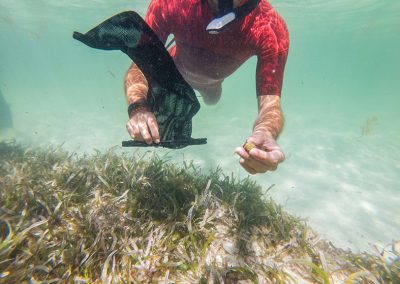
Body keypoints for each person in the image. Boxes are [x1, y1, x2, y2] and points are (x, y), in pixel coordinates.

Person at [124, 0, 289, 174]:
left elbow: (270, 105)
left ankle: (209, 100)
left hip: (211, 86)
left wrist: (266, 132)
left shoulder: (269, 26)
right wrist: (138, 108)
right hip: (172, 75)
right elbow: (138, 67)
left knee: (212, 100)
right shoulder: (171, 4)